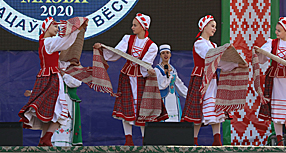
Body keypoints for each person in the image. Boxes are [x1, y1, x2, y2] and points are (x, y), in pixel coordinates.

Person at [18, 16, 88, 146]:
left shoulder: (44, 42)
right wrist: (77, 30)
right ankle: (46, 138)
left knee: (50, 112)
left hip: (46, 77)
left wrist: (77, 31)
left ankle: (44, 139)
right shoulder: (49, 42)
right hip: (52, 78)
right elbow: (65, 43)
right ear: (46, 28)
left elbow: (64, 46)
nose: (57, 29)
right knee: (61, 112)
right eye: (54, 26)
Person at [93, 13, 158, 146]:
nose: (132, 27)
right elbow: (117, 53)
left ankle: (146, 140)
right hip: (127, 76)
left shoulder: (152, 46)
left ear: (143, 26)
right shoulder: (127, 39)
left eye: (135, 25)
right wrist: (103, 48)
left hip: (141, 78)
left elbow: (145, 64)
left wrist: (149, 70)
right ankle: (128, 140)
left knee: (142, 108)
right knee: (126, 106)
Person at [182, 15, 246, 146]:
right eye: (212, 26)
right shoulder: (199, 43)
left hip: (212, 80)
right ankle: (193, 140)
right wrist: (222, 52)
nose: (214, 29)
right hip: (201, 78)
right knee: (197, 110)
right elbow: (210, 56)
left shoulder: (213, 44)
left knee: (215, 109)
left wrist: (236, 65)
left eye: (215, 27)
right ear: (204, 27)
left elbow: (219, 63)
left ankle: (217, 140)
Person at [255, 17, 286, 146]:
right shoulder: (272, 43)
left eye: (279, 30)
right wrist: (259, 52)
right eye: (276, 30)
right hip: (275, 82)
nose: (276, 32)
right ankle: (280, 140)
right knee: (276, 111)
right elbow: (262, 58)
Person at [154, 44, 188, 122]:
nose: (166, 55)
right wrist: (167, 76)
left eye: (167, 52)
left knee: (175, 119)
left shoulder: (173, 69)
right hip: (163, 98)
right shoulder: (157, 69)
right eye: (163, 53)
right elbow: (160, 85)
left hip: (173, 98)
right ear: (160, 55)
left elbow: (179, 84)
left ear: (170, 54)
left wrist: (188, 95)